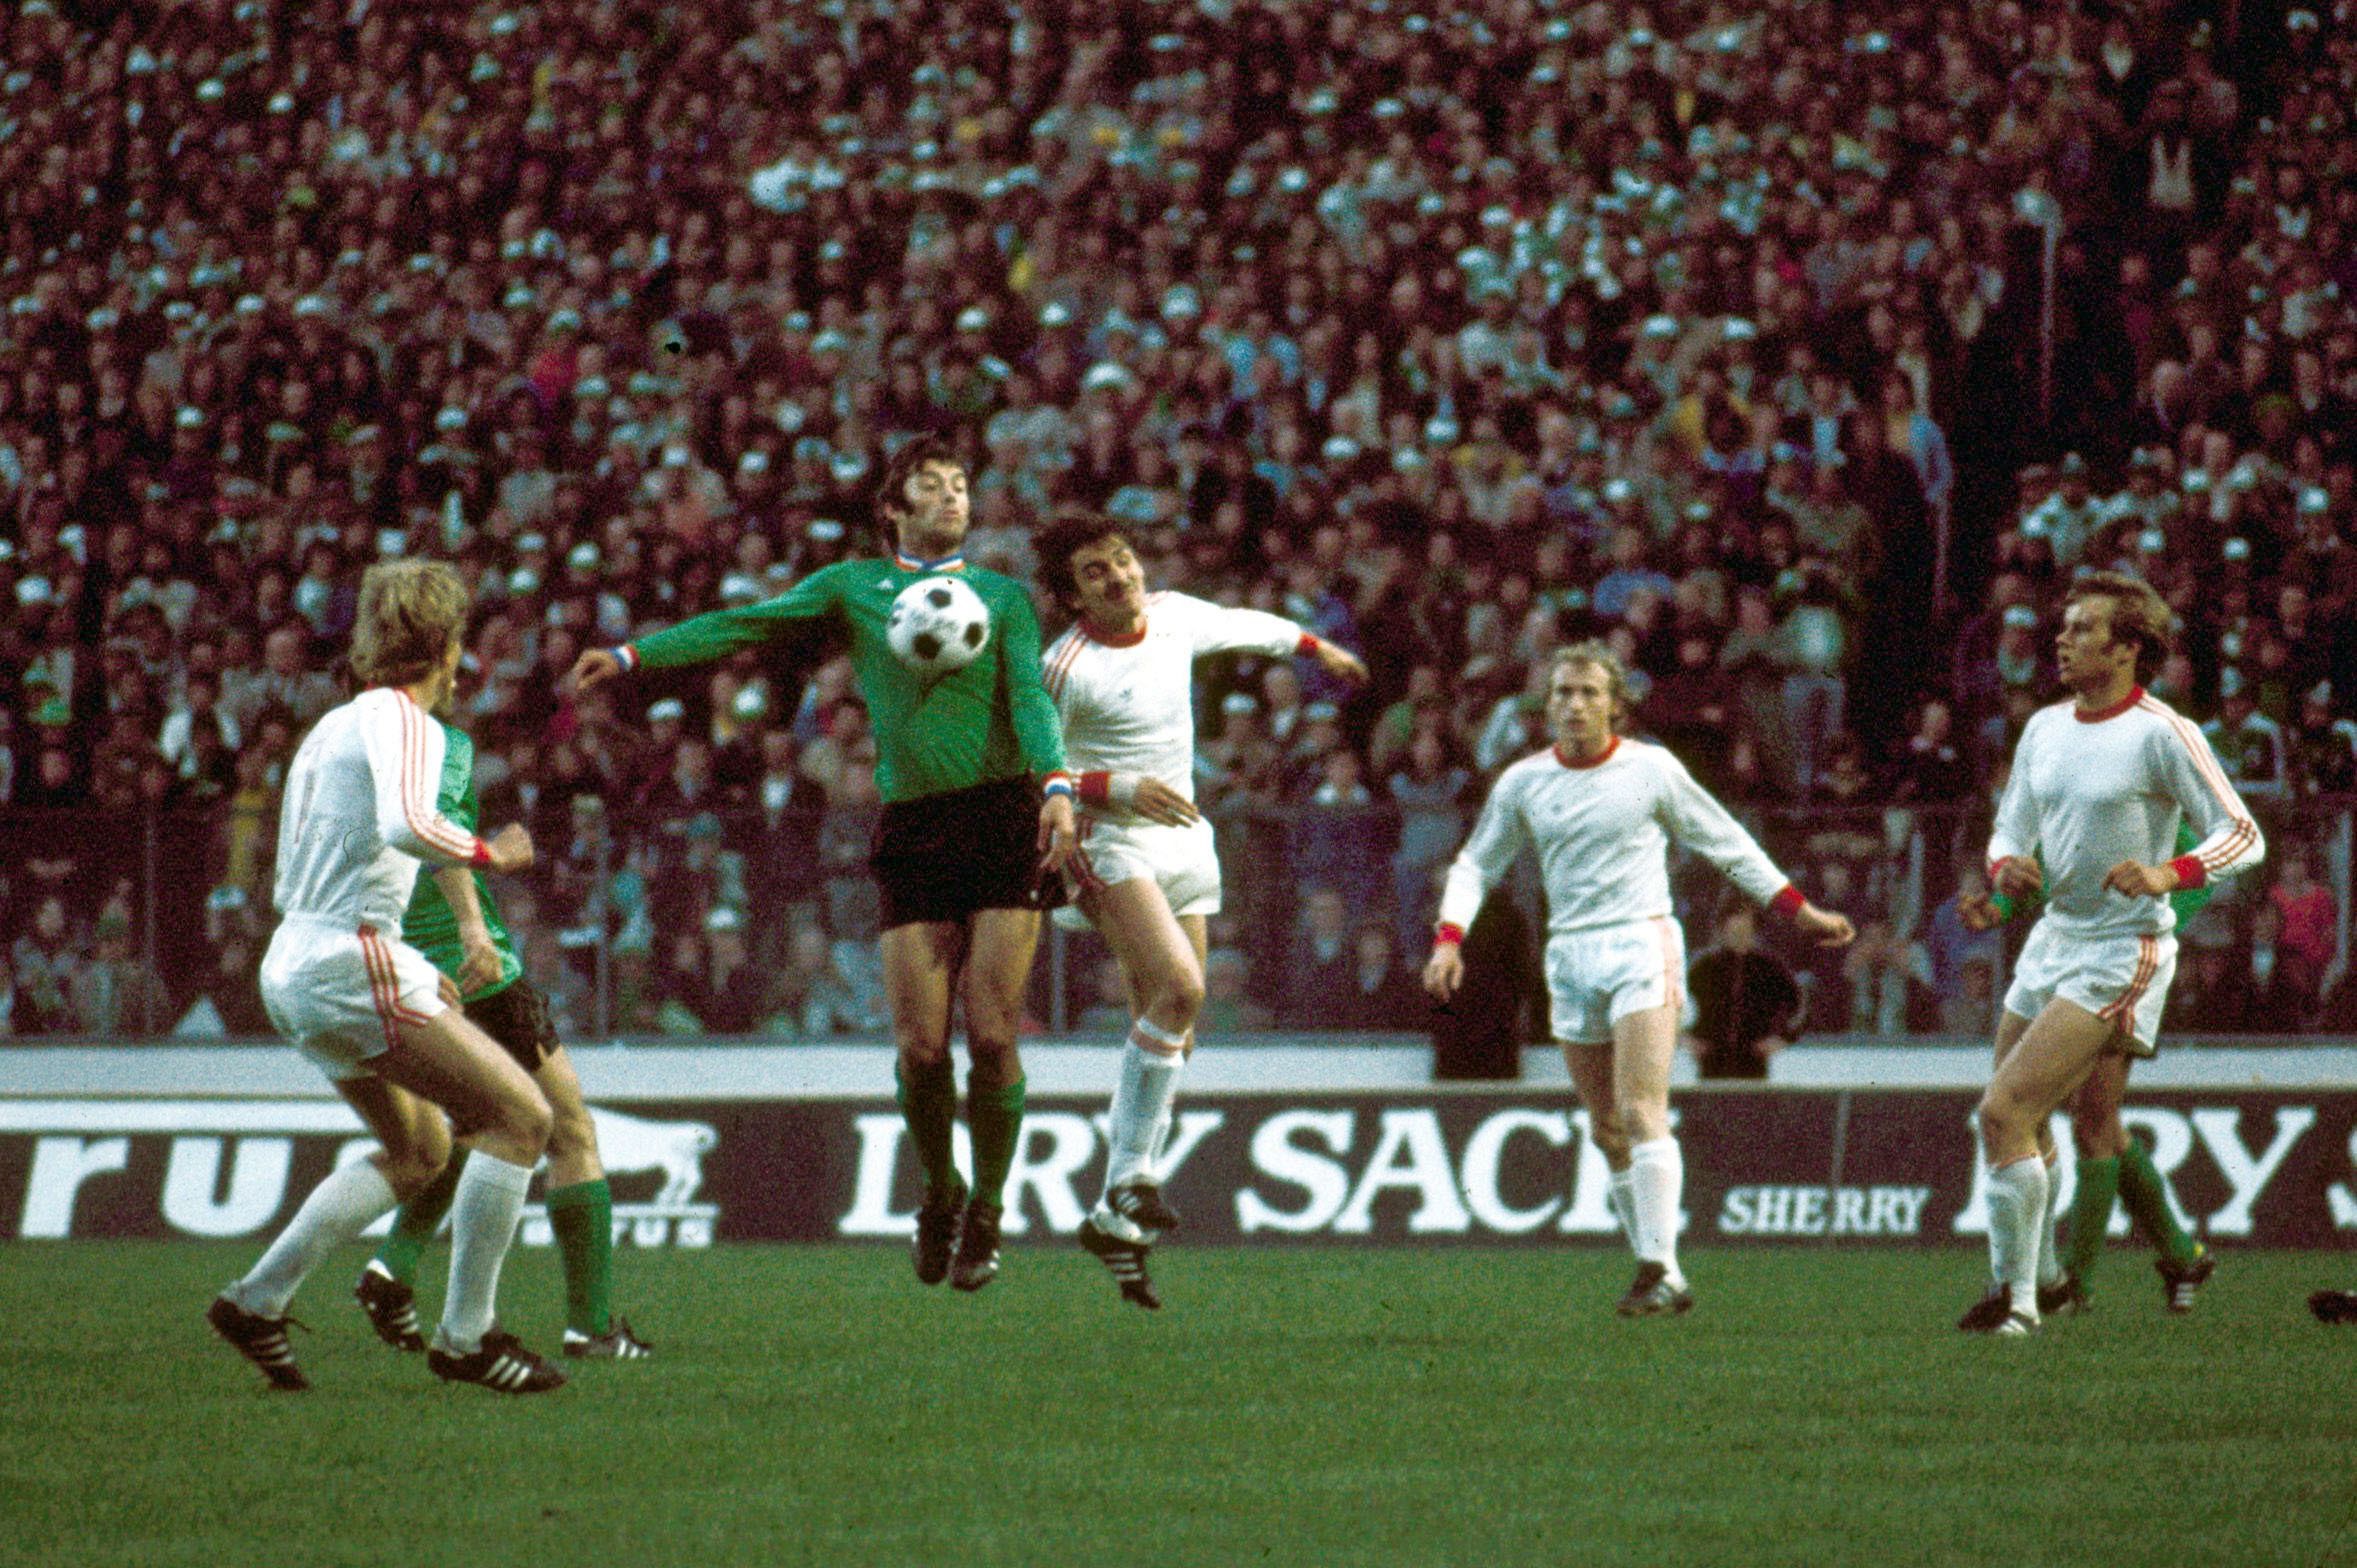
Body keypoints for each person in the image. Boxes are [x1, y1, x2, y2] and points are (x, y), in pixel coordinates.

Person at [571, 437, 1077, 1293]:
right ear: (893, 506)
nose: (952, 496)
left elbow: (1027, 692)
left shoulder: (1001, 597)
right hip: (913, 829)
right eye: (931, 485)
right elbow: (747, 623)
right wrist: (633, 655)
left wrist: (1057, 786)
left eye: (960, 485)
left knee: (992, 1034)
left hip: (1002, 818)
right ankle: (941, 1191)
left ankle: (987, 1207)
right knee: (921, 1048)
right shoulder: (853, 587)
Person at [207, 560, 564, 1395]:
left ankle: (257, 1300)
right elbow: (409, 826)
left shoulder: (333, 725)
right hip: (346, 956)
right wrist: (492, 853)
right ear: (445, 647)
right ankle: (466, 1336)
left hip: (296, 959)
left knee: (420, 1147)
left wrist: (406, 963)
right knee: (521, 1118)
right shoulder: (409, 722)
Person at [1422, 642, 1855, 1316]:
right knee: (1604, 1128)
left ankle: (1661, 1269)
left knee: (1638, 1108)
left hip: (1639, 942)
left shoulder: (1649, 769)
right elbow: (1476, 865)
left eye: (1588, 693)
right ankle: (1654, 1268)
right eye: (1562, 693)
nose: (1573, 704)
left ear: (1615, 705)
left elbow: (1724, 840)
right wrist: (1450, 940)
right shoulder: (1522, 782)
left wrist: (1796, 909)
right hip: (1568, 955)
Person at [1031, 512, 1365, 1308]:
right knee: (1180, 990)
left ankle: (1117, 1212)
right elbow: (1019, 766)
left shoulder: (1176, 615)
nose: (1119, 577)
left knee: (1175, 1011)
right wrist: (1105, 788)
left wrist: (1320, 649)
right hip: (1109, 843)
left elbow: (1249, 627)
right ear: (1071, 595)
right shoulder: (1061, 667)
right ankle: (1136, 1177)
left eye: (1120, 560)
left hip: (1181, 838)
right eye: (1095, 572)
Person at [1956, 572, 2263, 1335]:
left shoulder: (2162, 732)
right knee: (2009, 1121)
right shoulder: (2044, 727)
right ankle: (2043, 1277)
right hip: (2052, 939)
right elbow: (2008, 829)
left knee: (2010, 1110)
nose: (2059, 639)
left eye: (2081, 628)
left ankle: (2022, 1304)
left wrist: (2170, 871)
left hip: (2122, 949)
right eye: (2062, 627)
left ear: (2127, 649)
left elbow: (2244, 833)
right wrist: (2002, 877)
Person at [352, 701, 653, 1362]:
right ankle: (591, 1328)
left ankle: (392, 1268)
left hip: (398, 967)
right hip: (475, 971)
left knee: (472, 1126)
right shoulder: (441, 745)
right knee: (569, 1128)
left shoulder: (353, 742)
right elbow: (440, 835)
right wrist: (468, 924)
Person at [1974, 821, 2225, 1317]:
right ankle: (2181, 1253)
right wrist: (1999, 906)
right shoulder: (2067, 772)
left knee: (2092, 1118)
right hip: (2073, 959)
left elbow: (2205, 868)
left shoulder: (2147, 763)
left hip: (2124, 963)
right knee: (2096, 1119)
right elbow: (2046, 868)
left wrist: (2154, 921)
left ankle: (2077, 1285)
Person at [1685, 904, 1802, 1081]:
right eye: (1733, 930)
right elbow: (1672, 1005)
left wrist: (1783, 1039)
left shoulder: (1770, 968)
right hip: (1711, 1064)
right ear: (1722, 930)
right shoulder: (1703, 967)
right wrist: (1685, 1040)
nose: (1739, 936)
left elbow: (1801, 1008)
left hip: (1754, 1065)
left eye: (1745, 929)